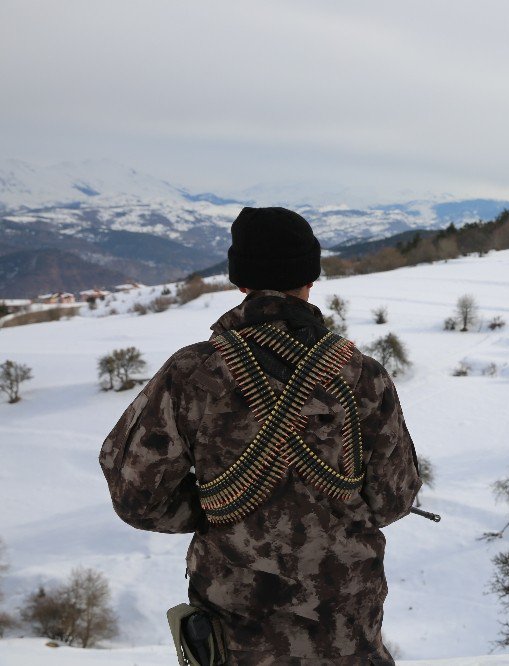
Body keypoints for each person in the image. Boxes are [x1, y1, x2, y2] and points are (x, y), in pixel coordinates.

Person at [100, 206, 421, 665]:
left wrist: (219, 509)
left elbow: (137, 497)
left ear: (240, 282)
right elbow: (393, 499)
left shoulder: (192, 374)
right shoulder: (363, 377)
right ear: (310, 277)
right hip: (346, 628)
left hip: (237, 633)